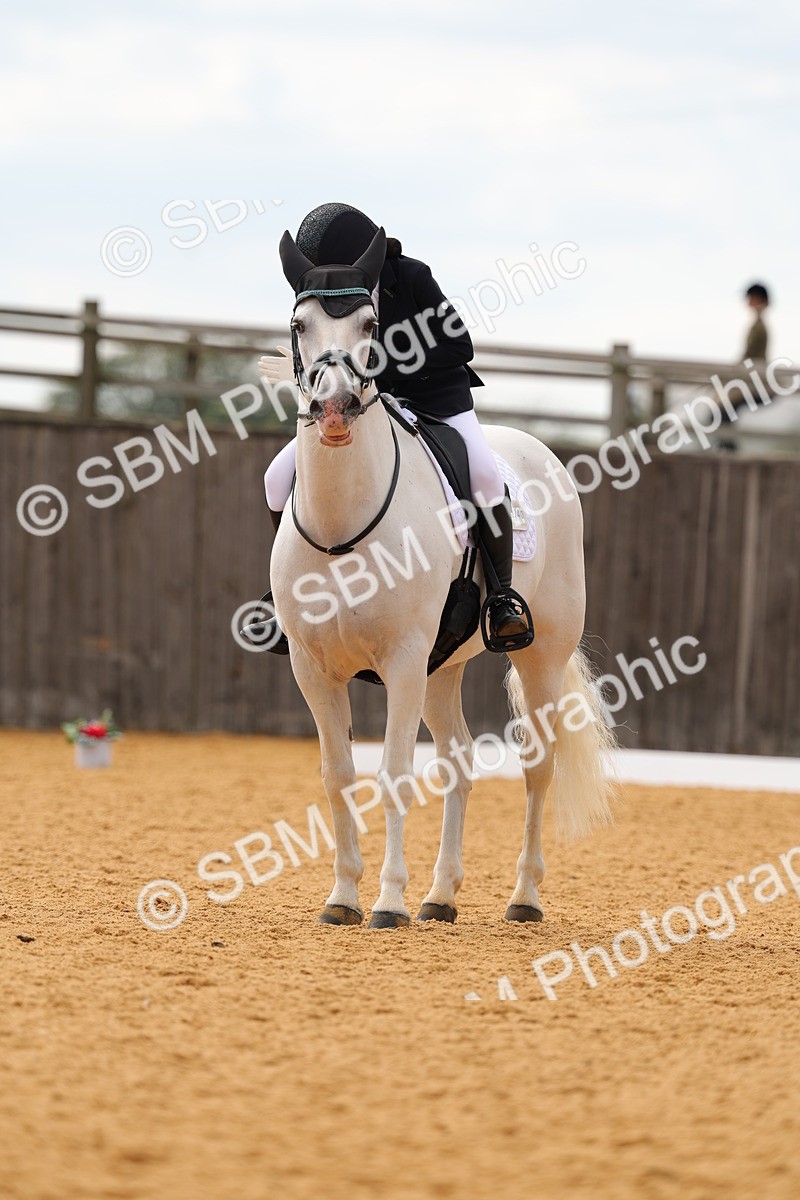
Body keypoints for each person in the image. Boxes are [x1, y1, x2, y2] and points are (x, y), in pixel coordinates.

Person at [246, 202, 533, 654]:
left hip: (437, 401)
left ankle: (501, 598)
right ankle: (288, 603)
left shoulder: (412, 277)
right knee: (276, 477)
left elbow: (459, 344)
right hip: (365, 404)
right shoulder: (326, 297)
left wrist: (379, 364)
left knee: (484, 473)